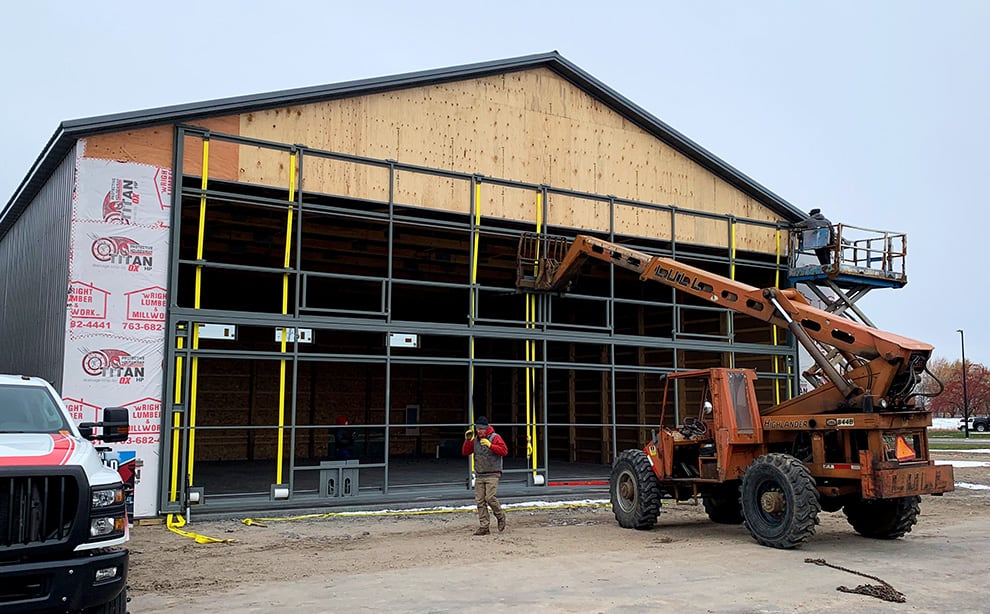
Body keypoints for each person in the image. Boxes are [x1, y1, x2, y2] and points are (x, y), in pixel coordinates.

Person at [462, 416, 508, 535]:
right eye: (477, 429)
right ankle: (484, 526)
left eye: (480, 429)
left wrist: (490, 445)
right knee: (480, 501)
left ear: (486, 428)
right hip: (479, 474)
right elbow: (465, 452)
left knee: (490, 498)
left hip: (493, 473)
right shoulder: (475, 440)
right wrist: (467, 441)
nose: (478, 431)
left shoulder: (495, 437)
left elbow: (504, 451)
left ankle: (500, 516)